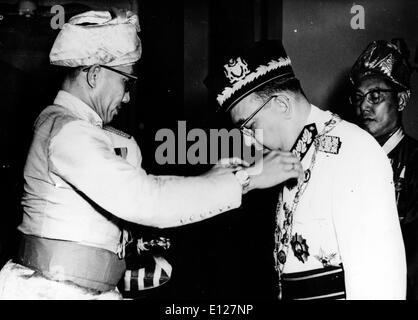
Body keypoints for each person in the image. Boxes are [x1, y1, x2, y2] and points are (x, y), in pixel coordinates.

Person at [0, 11, 303, 300]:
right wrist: (245, 179)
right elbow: (146, 199)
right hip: (52, 291)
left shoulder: (76, 129)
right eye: (126, 82)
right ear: (94, 74)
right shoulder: (69, 132)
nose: (128, 96)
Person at [204, 40, 406, 300]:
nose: (246, 141)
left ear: (282, 104)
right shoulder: (291, 157)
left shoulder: (354, 152)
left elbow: (380, 285)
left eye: (250, 126)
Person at [350, 39, 418, 299]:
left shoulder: (415, 162)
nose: (363, 106)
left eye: (375, 96)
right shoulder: (351, 158)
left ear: (401, 100)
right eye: (358, 97)